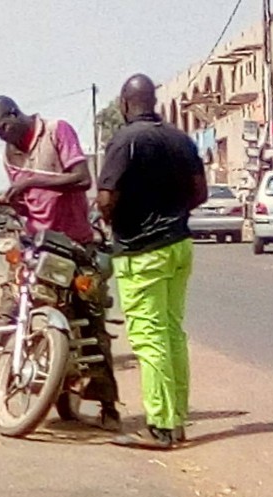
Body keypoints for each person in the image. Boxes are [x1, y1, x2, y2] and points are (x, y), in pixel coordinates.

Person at [0, 95, 120, 428]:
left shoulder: (56, 131)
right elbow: (30, 204)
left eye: (4, 127)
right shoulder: (9, 153)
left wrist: (30, 181)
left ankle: (108, 405)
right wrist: (13, 202)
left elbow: (81, 178)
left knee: (91, 321)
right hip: (35, 245)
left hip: (75, 245)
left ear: (15, 114)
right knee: (8, 312)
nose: (4, 137)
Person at [98, 74, 207, 450]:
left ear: (125, 104)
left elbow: (106, 198)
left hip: (141, 251)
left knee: (149, 337)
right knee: (173, 333)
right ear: (154, 101)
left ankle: (161, 425)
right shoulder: (181, 140)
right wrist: (170, 213)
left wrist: (117, 220)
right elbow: (200, 193)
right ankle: (176, 420)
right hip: (179, 245)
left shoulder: (124, 141)